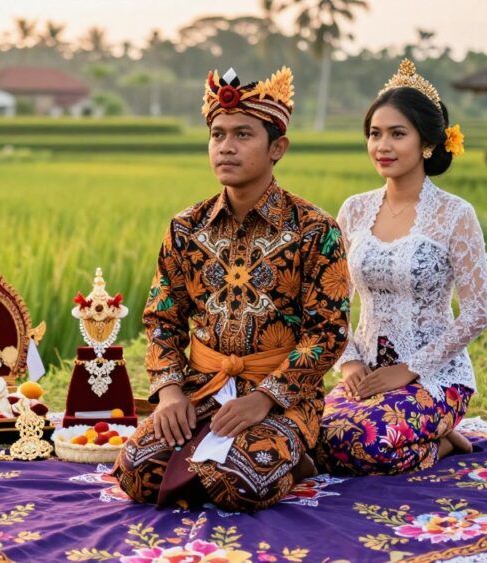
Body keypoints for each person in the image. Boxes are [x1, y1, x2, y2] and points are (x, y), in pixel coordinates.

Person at [113, 67, 351, 512]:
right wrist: (170, 393)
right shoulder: (186, 228)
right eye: (217, 134)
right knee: (136, 474)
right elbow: (162, 319)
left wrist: (265, 398)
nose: (226, 146)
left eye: (243, 134)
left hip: (279, 397)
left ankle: (298, 454)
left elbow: (327, 332)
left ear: (277, 147)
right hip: (201, 389)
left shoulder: (316, 229)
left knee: (237, 482)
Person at [316, 59, 487, 476]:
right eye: (375, 134)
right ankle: (433, 440)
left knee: (365, 443)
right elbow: (331, 302)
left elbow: (477, 313)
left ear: (427, 143)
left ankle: (442, 443)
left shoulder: (455, 214)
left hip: (436, 378)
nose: (383, 146)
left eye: (398, 134)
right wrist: (350, 362)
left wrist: (410, 369)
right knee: (311, 436)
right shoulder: (354, 210)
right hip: (367, 375)